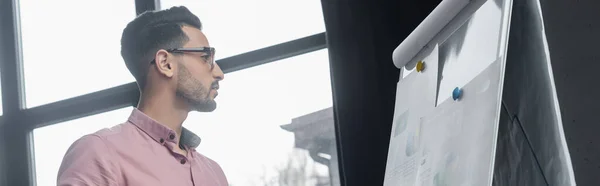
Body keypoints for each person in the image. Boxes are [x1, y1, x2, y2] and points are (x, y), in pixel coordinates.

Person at [57, 6, 228, 186]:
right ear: (165, 63)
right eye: (205, 57)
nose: (219, 73)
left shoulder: (214, 173)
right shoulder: (100, 153)